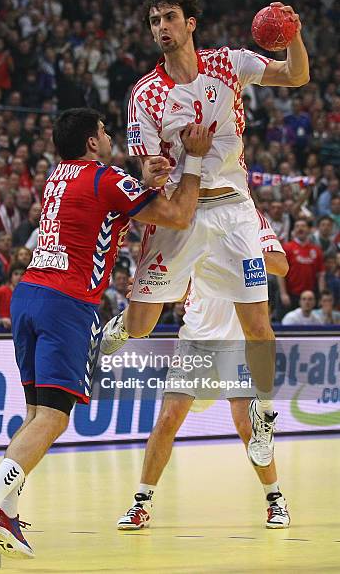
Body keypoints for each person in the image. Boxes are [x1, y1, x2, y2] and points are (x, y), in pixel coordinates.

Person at [0, 107, 213, 558]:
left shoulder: (59, 175)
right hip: (67, 302)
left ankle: (6, 515)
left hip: (28, 294)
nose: (110, 135)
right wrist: (192, 160)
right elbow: (177, 214)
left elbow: (104, 209)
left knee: (37, 415)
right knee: (55, 419)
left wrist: (143, 178)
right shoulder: (108, 178)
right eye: (104, 131)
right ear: (93, 142)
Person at [102, 0, 309, 468]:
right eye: (154, 21)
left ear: (190, 22)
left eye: (169, 18)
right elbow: (149, 165)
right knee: (141, 325)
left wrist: (293, 34)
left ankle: (261, 414)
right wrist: (153, 170)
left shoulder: (229, 63)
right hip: (181, 212)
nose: (161, 28)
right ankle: (121, 321)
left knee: (259, 327)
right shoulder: (145, 93)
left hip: (235, 210)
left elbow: (296, 75)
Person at [117, 212, 291, 531]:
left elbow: (281, 265)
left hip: (238, 340)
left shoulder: (252, 219)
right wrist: (148, 289)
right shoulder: (189, 218)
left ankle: (275, 500)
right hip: (196, 339)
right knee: (168, 419)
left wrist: (237, 251)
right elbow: (183, 285)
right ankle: (141, 503)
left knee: (246, 424)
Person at [278, 218, 325, 312]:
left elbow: (321, 275)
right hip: (291, 294)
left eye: (303, 226)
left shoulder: (316, 250)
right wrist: (283, 293)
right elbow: (280, 273)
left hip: (310, 295)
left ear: (309, 229)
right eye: (297, 226)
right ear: (294, 231)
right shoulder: (287, 248)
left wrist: (321, 295)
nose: (300, 228)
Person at [0, 263, 25, 329]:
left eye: (22, 274)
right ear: (10, 277)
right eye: (16, 274)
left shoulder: (30, 295)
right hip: (1, 332)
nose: (19, 277)